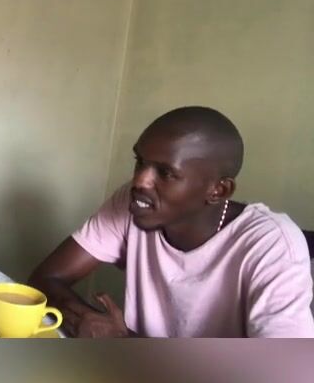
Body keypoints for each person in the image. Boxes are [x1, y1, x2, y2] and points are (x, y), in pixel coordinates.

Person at [29, 106, 314, 338]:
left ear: (218, 190)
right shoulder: (134, 203)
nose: (140, 181)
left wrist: (121, 342)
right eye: (140, 162)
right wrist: (86, 320)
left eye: (166, 173)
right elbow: (46, 279)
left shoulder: (272, 244)